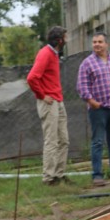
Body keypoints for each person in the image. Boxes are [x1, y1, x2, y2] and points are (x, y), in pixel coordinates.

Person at [77, 32, 110, 187]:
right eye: (94, 42)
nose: (97, 44)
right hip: (98, 109)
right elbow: (82, 86)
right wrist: (92, 102)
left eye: (100, 42)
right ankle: (97, 175)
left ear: (107, 44)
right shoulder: (87, 63)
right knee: (98, 142)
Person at [27, 26, 70, 185]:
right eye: (65, 37)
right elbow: (32, 78)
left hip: (58, 100)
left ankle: (59, 175)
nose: (67, 39)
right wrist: (42, 95)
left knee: (64, 140)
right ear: (59, 40)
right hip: (49, 101)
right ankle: (48, 178)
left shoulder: (54, 54)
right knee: (52, 140)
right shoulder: (45, 53)